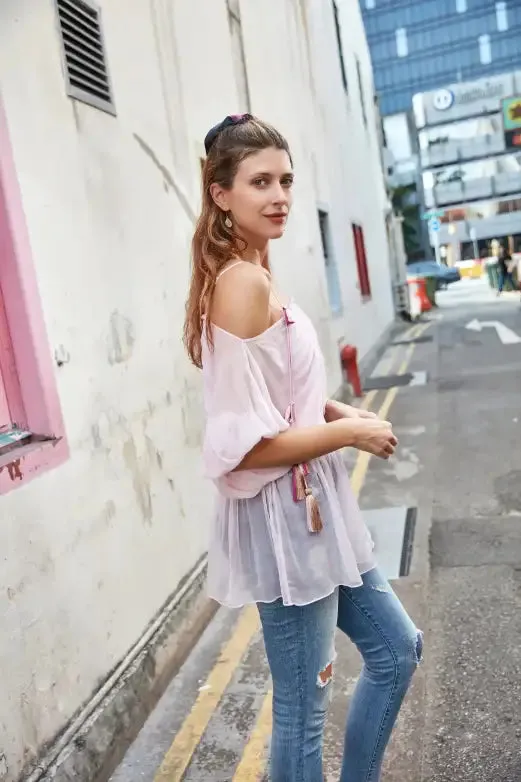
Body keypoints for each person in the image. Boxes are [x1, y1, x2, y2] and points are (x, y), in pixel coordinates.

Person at [183, 114, 422, 782]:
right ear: (221, 193)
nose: (280, 194)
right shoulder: (239, 282)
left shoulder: (256, 271)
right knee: (300, 709)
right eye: (260, 181)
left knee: (396, 651)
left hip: (318, 516)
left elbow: (273, 391)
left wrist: (330, 407)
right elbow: (244, 445)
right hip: (287, 527)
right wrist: (350, 431)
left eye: (286, 179)